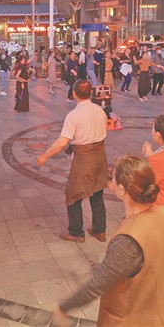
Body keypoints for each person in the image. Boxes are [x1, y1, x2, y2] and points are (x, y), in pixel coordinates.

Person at [53, 155, 164, 327]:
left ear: (122, 190)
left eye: (113, 178)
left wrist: (64, 307)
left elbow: (96, 285)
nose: (111, 181)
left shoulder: (128, 241)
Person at [37, 80, 108, 243]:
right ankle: (100, 230)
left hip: (83, 159)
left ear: (74, 93)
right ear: (90, 93)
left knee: (73, 194)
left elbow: (62, 142)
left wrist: (45, 155)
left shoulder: (74, 115)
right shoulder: (100, 111)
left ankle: (76, 232)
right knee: (97, 192)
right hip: (99, 157)